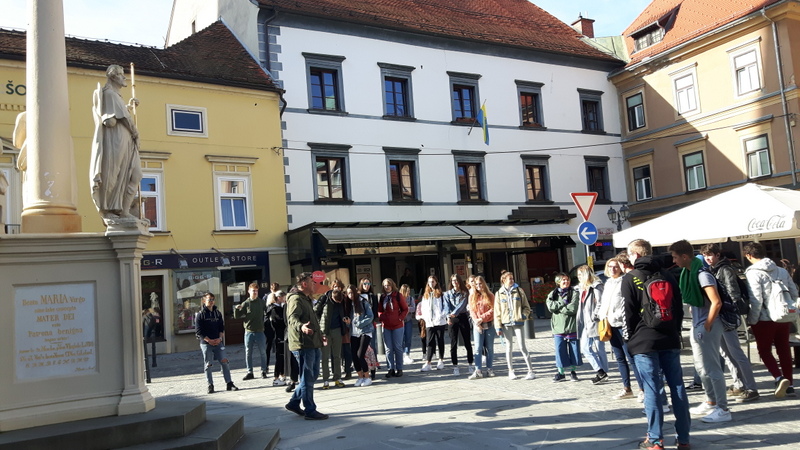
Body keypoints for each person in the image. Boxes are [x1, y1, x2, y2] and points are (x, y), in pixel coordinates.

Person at [622, 239, 690, 450]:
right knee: (677, 386)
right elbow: (678, 309)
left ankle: (655, 440)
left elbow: (629, 314)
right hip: (669, 338)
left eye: (629, 254)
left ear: (635, 255)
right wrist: (675, 332)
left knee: (652, 388)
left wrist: (631, 339)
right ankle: (684, 438)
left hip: (644, 341)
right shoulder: (668, 275)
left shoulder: (630, 277)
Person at [669, 239, 730, 424]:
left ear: (685, 256)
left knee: (712, 368)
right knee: (701, 367)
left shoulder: (702, 274)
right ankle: (711, 401)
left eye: (675, 257)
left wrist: (708, 324)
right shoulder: (689, 273)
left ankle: (723, 408)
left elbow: (716, 302)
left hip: (707, 324)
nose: (674, 261)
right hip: (698, 323)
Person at [699, 243, 760, 402]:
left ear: (717, 255)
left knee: (736, 352)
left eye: (710, 255)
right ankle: (739, 383)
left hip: (726, 315)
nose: (707, 258)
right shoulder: (712, 270)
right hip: (719, 315)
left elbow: (733, 293)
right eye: (705, 256)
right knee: (726, 353)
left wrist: (730, 313)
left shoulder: (725, 269)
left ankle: (752, 388)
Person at [743, 241, 798, 398]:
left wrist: (752, 320)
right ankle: (790, 385)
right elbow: (794, 292)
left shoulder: (753, 272)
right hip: (783, 316)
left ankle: (779, 377)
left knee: (764, 350)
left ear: (748, 255)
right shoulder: (781, 270)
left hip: (764, 318)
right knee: (784, 349)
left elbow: (756, 299)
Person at [90, 64, 142, 220]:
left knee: (134, 174)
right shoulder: (110, 94)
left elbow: (120, 112)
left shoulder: (116, 96)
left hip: (126, 138)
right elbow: (123, 118)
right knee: (113, 172)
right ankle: (109, 209)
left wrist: (128, 107)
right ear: (113, 77)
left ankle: (124, 211)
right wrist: (135, 132)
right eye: (121, 75)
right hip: (116, 138)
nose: (124, 78)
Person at [598, 258, 644, 400]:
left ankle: (642, 388)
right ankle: (626, 388)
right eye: (610, 266)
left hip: (622, 323)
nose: (613, 269)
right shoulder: (608, 283)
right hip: (609, 324)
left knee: (631, 357)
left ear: (620, 268)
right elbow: (604, 303)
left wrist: (616, 315)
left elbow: (626, 303)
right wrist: (601, 315)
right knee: (619, 358)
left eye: (616, 266)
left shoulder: (624, 281)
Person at [285, 273, 328, 420]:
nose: (315, 284)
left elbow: (313, 320)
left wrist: (320, 335)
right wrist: (301, 327)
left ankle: (294, 403)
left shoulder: (306, 298)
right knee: (307, 377)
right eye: (312, 282)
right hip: (303, 344)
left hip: (313, 342)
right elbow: (292, 318)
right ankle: (310, 410)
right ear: (304, 284)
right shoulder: (296, 299)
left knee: (312, 375)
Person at [195, 292, 238, 394]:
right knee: (208, 364)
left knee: (225, 361)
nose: (211, 301)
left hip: (218, 342)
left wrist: (219, 338)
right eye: (209, 299)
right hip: (206, 343)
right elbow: (198, 331)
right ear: (204, 301)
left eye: (213, 299)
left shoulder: (217, 313)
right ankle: (210, 385)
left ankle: (229, 383)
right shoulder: (200, 314)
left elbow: (221, 327)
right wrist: (209, 340)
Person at [495, 270, 535, 380]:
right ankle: (511, 371)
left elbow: (526, 307)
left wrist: (523, 316)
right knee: (508, 347)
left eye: (512, 278)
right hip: (506, 323)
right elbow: (497, 312)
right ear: (504, 280)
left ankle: (531, 371)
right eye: (510, 279)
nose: (512, 280)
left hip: (518, 321)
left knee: (522, 346)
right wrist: (498, 326)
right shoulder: (499, 293)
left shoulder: (519, 290)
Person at [576, 265, 609, 385]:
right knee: (585, 348)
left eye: (580, 275)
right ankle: (600, 371)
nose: (578, 277)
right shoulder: (581, 288)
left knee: (600, 348)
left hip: (595, 321)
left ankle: (604, 372)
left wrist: (595, 315)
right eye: (578, 275)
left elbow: (601, 302)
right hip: (586, 322)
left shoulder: (596, 286)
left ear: (586, 275)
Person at [546, 273, 580, 382]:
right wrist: (562, 303)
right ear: (558, 282)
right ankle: (561, 373)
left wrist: (559, 309)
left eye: (567, 280)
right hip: (558, 327)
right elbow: (550, 307)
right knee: (560, 350)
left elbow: (573, 308)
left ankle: (573, 372)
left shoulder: (574, 293)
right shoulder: (553, 294)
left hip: (571, 326)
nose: (566, 282)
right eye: (563, 280)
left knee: (574, 350)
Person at [234, 282, 268, 381]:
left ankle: (263, 370)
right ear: (249, 291)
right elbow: (237, 316)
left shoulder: (261, 302)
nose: (255, 292)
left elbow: (267, 312)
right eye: (253, 291)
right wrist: (236, 309)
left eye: (256, 291)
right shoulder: (246, 303)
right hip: (249, 331)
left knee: (263, 352)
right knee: (248, 353)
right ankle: (250, 372)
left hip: (260, 331)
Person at [443, 274, 474, 376]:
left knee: (467, 341)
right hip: (452, 318)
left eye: (456, 280)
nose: (455, 282)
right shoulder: (447, 294)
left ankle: (470, 364)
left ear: (460, 281)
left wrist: (453, 314)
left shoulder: (465, 293)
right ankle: (455, 366)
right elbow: (446, 307)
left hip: (463, 316)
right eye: (453, 281)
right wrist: (448, 316)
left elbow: (462, 305)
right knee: (453, 342)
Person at [318, 289, 349, 389]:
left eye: (340, 301)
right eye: (337, 301)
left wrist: (345, 319)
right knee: (325, 356)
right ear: (332, 297)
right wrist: (320, 326)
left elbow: (345, 312)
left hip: (337, 330)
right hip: (325, 331)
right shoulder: (324, 299)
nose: (339, 303)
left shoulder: (341, 300)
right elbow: (315, 312)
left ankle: (337, 377)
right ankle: (325, 380)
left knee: (337, 355)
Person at [378, 278, 408, 378]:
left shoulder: (398, 296)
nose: (387, 287)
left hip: (397, 326)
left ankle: (399, 368)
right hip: (386, 326)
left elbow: (405, 309)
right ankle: (390, 368)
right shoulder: (382, 297)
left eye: (389, 285)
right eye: (385, 285)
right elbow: (379, 310)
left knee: (398, 347)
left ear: (392, 285)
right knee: (388, 349)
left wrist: (400, 318)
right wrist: (382, 317)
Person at [347, 284, 375, 387]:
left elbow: (370, 316)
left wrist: (359, 323)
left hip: (365, 331)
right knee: (354, 355)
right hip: (354, 333)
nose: (350, 295)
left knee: (360, 355)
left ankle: (367, 377)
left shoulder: (363, 301)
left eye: (351, 293)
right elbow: (351, 321)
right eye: (348, 293)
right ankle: (360, 376)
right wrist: (348, 322)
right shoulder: (349, 304)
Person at [468, 275, 495, 379]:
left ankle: (489, 369)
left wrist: (482, 318)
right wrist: (476, 321)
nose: (478, 286)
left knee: (489, 348)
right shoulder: (472, 296)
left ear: (484, 284)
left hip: (489, 324)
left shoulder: (490, 295)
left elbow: (493, 309)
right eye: (476, 284)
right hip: (478, 326)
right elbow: (472, 310)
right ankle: (478, 370)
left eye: (480, 284)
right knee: (478, 348)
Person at [419, 275, 448, 371]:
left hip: (439, 321)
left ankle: (441, 360)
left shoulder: (441, 294)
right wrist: (425, 317)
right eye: (430, 282)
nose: (431, 283)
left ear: (436, 282)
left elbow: (445, 307)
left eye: (433, 281)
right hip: (429, 322)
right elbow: (423, 308)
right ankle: (428, 362)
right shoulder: (426, 295)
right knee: (430, 342)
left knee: (440, 340)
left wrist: (441, 315)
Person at [358, 278, 380, 379]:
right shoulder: (358, 296)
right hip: (360, 325)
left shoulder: (372, 296)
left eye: (368, 283)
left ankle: (373, 367)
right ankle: (364, 368)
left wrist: (374, 320)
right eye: (364, 284)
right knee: (362, 348)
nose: (366, 285)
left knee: (372, 346)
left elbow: (375, 310)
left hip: (370, 324)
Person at [266, 290, 288, 386]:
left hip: (282, 334)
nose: (285, 299)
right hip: (278, 335)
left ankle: (282, 374)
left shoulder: (280, 307)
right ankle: (276, 378)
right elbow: (279, 321)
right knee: (279, 357)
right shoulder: (274, 309)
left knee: (282, 356)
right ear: (279, 297)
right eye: (283, 297)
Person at [399, 284, 416, 365]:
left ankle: (407, 353)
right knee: (401, 338)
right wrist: (407, 308)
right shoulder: (399, 299)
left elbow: (413, 308)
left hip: (408, 320)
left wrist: (406, 308)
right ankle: (402, 354)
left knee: (408, 338)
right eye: (407, 291)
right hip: (400, 321)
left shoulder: (411, 298)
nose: (409, 292)